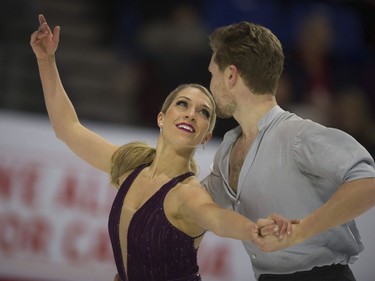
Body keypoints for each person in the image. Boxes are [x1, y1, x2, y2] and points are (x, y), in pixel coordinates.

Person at [30, 15, 296, 281]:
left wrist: (253, 230)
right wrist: (46, 60)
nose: (191, 114)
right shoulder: (130, 167)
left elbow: (217, 219)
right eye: (182, 104)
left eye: (203, 112)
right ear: (161, 118)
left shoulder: (188, 195)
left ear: (206, 136)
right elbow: (68, 128)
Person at [202, 21, 375, 281]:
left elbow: (368, 182)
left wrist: (300, 231)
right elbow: (196, 203)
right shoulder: (228, 149)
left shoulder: (297, 135)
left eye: (213, 73)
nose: (210, 83)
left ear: (230, 76)